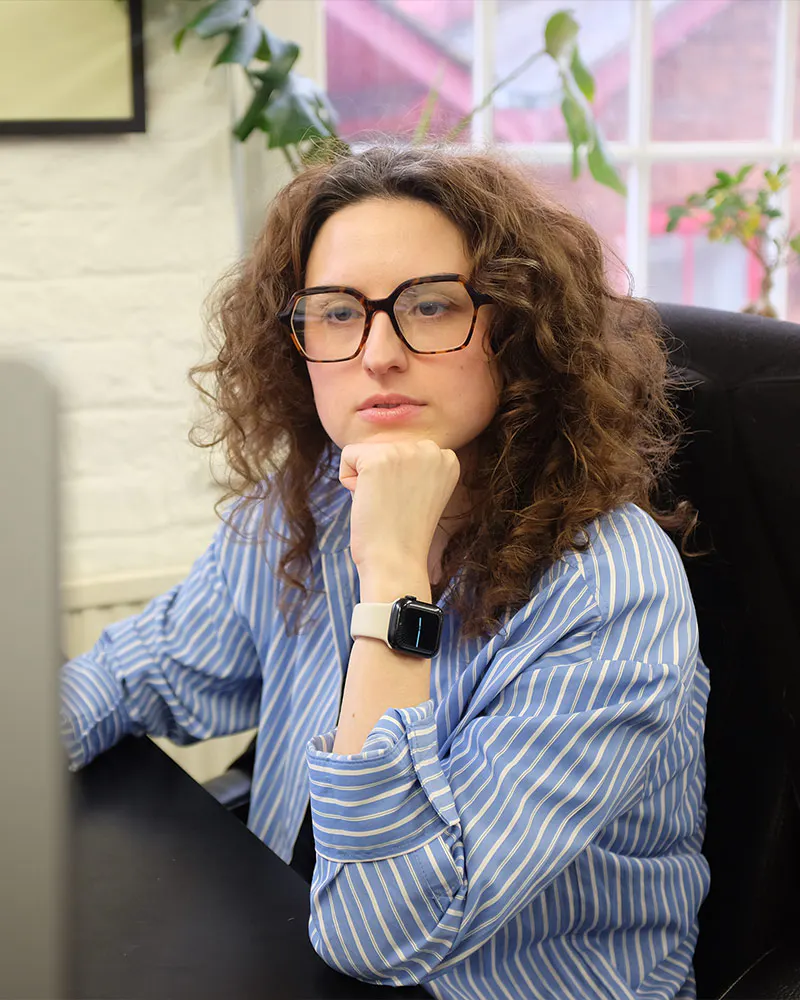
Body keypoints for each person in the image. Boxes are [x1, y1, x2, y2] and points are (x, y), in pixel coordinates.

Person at [60, 144, 710, 1000]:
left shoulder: (610, 588)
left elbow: (382, 928)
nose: (376, 354)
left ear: (518, 329)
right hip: (293, 951)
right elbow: (128, 674)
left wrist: (394, 573)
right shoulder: (313, 505)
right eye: (335, 313)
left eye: (431, 306)